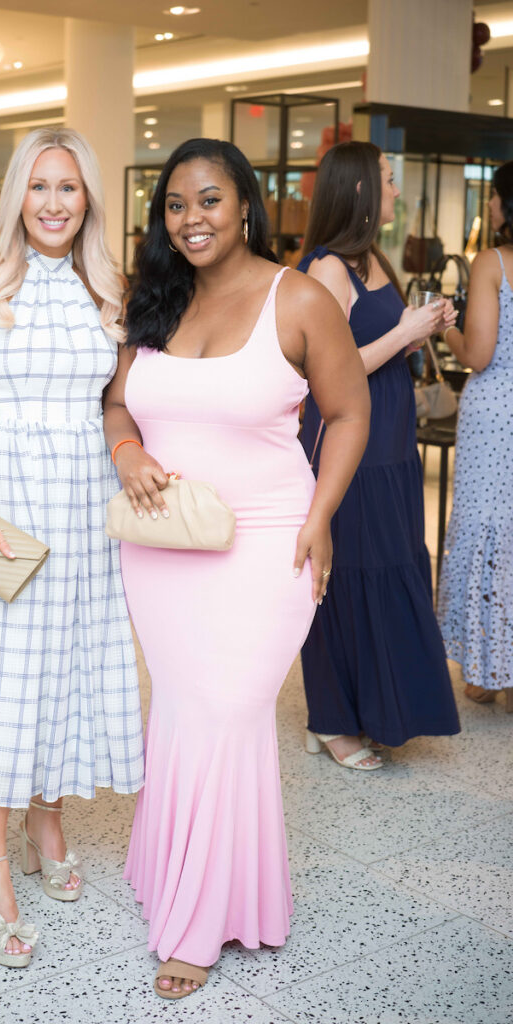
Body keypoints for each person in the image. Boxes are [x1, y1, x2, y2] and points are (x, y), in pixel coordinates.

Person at [103, 138, 371, 999]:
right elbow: (118, 400)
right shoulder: (157, 297)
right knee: (186, 706)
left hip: (266, 539)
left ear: (246, 204)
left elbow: (349, 409)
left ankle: (199, 922)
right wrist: (126, 449)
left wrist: (322, 514)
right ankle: (174, 870)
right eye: (176, 206)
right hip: (163, 540)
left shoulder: (297, 298)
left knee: (226, 705)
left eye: (210, 201)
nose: (192, 220)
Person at [0, 128, 144, 969]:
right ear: (18, 193)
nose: (54, 202)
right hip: (4, 501)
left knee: (66, 672)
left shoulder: (106, 285)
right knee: (0, 685)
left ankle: (46, 821)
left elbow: (115, 402)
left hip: (84, 504)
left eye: (70, 187)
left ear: (89, 197)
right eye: (40, 186)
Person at [298, 141, 460, 768]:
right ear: (361, 190)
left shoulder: (374, 261)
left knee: (393, 565)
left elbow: (384, 350)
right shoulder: (327, 270)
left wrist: (425, 329)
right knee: (346, 576)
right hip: (351, 443)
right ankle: (331, 718)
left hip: (390, 439)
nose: (397, 191)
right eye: (389, 180)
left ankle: (375, 709)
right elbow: (325, 373)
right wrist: (404, 333)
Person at [437, 161, 513, 712]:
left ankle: (491, 672)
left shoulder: (493, 263)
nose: (488, 207)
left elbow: (479, 354)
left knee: (488, 533)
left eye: (492, 198)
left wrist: (444, 328)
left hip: (496, 415)